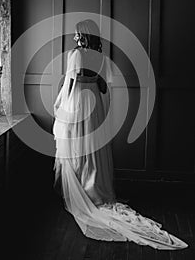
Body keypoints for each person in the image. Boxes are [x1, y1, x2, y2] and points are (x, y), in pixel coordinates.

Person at [52, 19, 188, 249]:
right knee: (92, 148)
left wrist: (60, 107)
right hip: (94, 104)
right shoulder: (100, 56)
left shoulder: (75, 54)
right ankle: (96, 189)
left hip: (77, 103)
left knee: (75, 147)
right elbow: (104, 86)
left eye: (77, 34)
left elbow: (71, 83)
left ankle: (78, 191)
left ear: (82, 35)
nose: (75, 37)